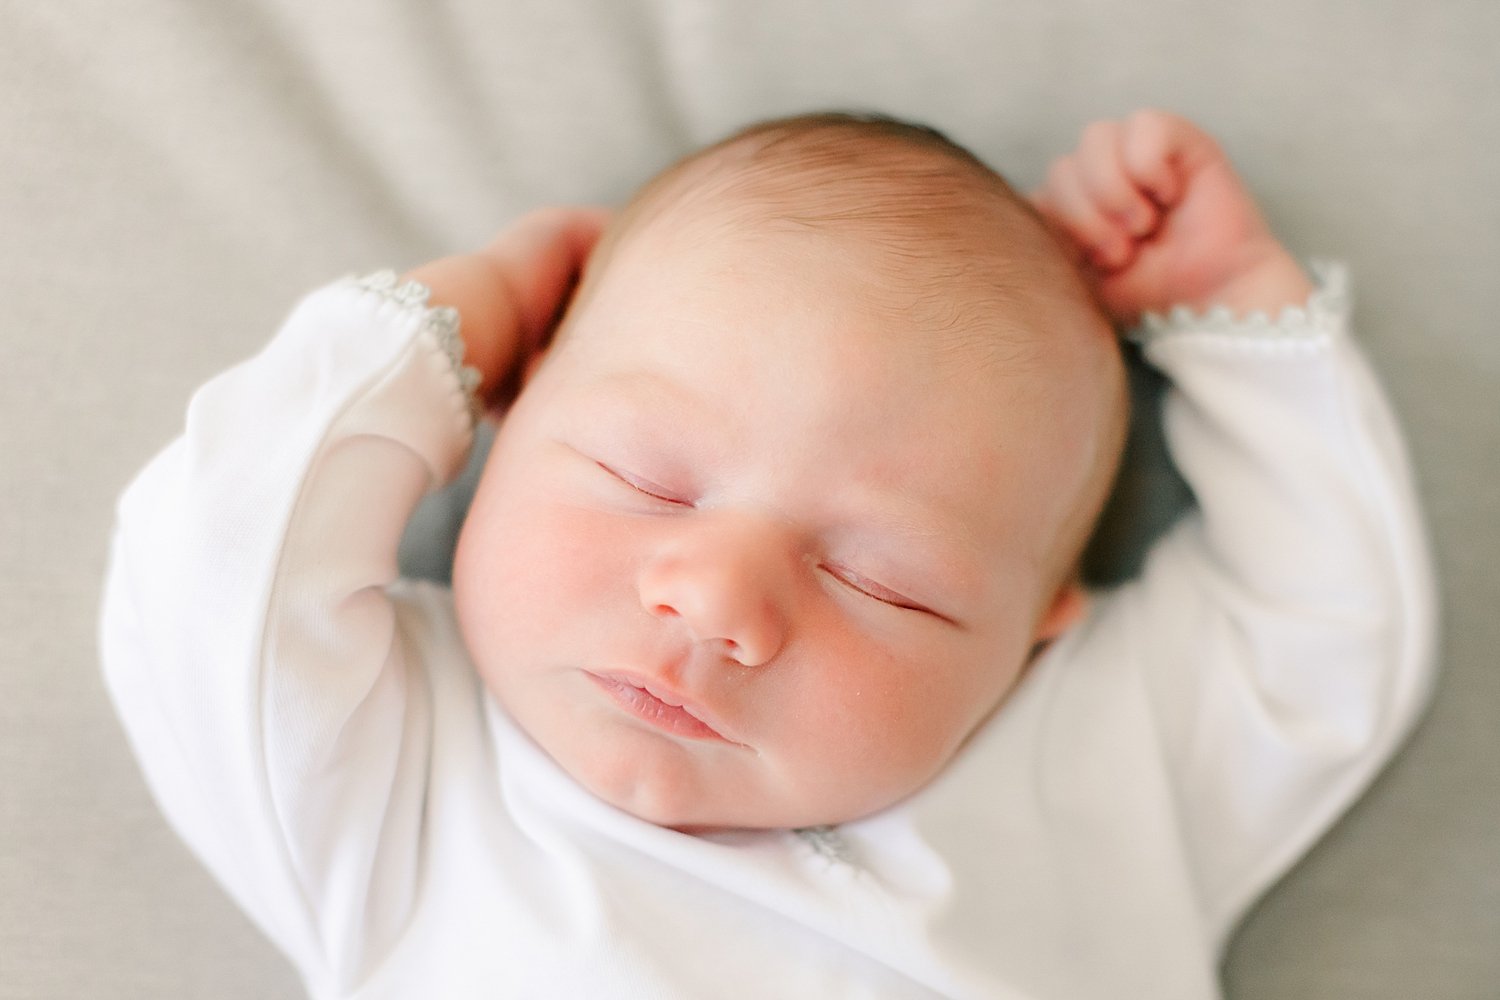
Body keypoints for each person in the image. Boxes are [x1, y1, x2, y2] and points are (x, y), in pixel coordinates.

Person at [100, 110, 1435, 998]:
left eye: (884, 578)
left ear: (1042, 622)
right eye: (644, 479)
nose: (719, 597)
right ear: (515, 403)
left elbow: (1320, 632)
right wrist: (459, 316)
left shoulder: (1098, 774)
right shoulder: (398, 777)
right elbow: (221, 549)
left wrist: (1228, 316)